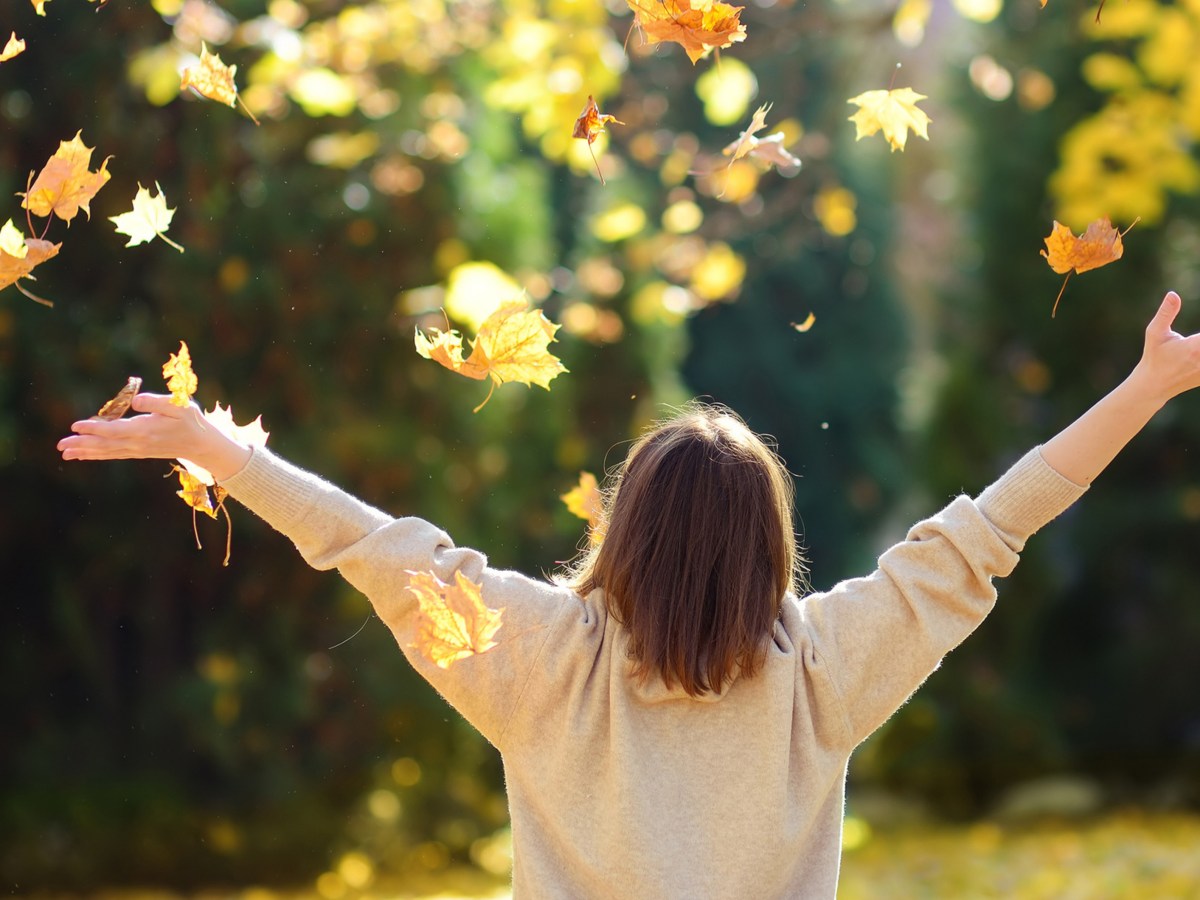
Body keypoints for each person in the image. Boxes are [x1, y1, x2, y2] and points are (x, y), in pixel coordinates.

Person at [57, 291, 1200, 898]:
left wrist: (216, 444)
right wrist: (1151, 385)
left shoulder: (539, 656)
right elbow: (997, 524)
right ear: (770, 544)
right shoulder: (825, 668)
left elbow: (366, 544)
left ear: (623, 529)